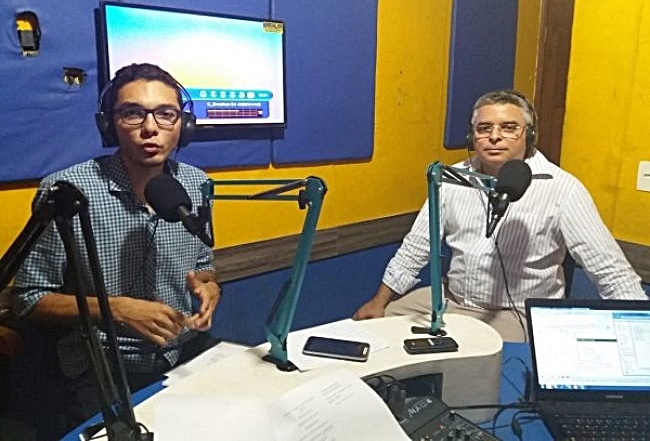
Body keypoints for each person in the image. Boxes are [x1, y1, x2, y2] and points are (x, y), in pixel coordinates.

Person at [10, 63, 221, 435]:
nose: (150, 127)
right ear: (109, 125)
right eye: (132, 113)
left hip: (186, 352)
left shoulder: (196, 183)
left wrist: (208, 286)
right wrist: (116, 310)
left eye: (166, 114)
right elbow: (28, 299)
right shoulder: (68, 191)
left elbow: (204, 264)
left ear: (183, 125)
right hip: (102, 370)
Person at [353, 89, 647, 341]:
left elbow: (609, 269)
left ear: (529, 135)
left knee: (481, 369)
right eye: (484, 128)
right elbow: (417, 246)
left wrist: (641, 332)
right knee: (377, 331)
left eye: (508, 127)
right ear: (472, 136)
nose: (494, 137)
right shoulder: (452, 179)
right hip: (450, 301)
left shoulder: (563, 189)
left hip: (518, 314)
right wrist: (379, 302)